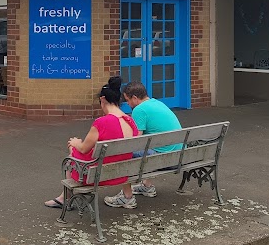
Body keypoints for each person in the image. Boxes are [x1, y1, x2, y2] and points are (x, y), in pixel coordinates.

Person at [44, 76, 140, 210]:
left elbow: (83, 149)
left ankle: (65, 198)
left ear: (103, 99)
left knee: (73, 151)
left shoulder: (102, 122)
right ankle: (127, 195)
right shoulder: (130, 121)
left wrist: (75, 142)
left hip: (99, 175)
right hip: (123, 172)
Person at [110, 81, 182, 200]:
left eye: (127, 100)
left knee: (122, 151)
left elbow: (136, 141)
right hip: (180, 156)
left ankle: (126, 197)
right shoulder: (157, 103)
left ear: (135, 98)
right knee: (151, 145)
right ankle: (147, 186)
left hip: (166, 159)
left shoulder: (139, 110)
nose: (127, 104)